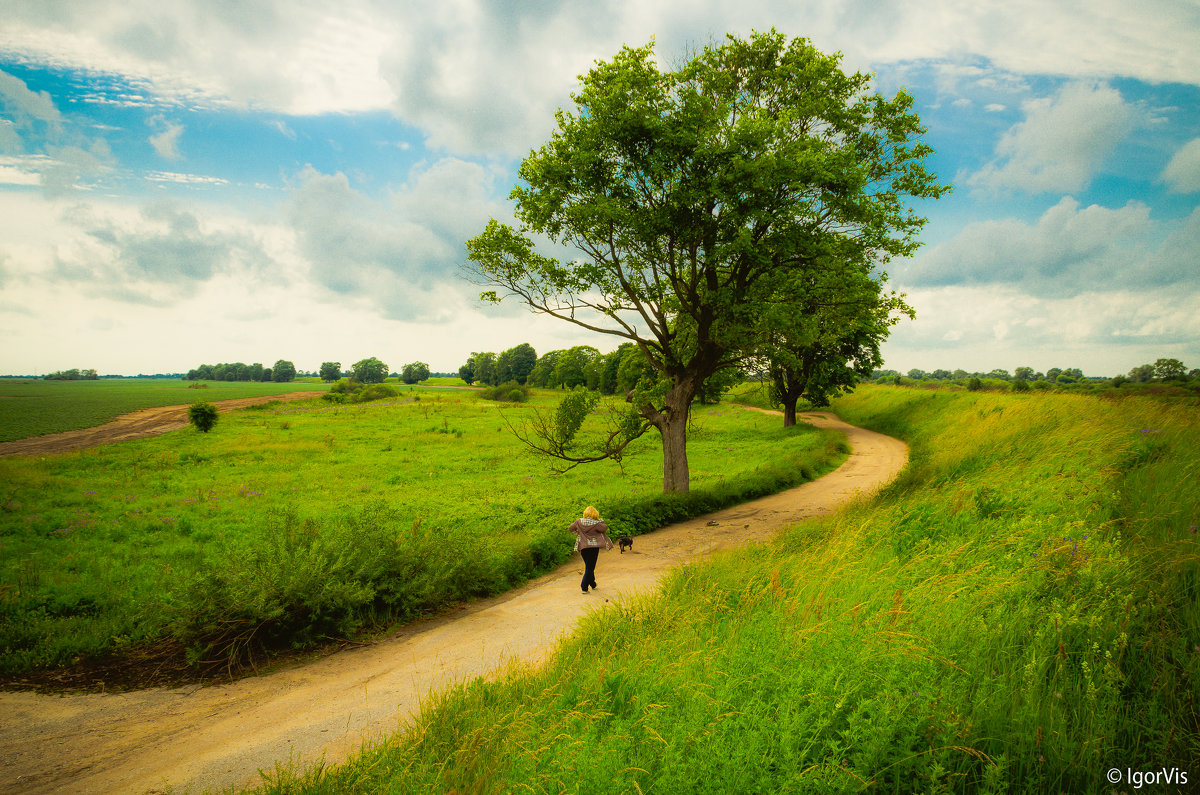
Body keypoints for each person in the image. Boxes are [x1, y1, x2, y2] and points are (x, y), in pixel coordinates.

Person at [569, 505, 611, 593]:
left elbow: (570, 528)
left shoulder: (579, 521)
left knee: (589, 566)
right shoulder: (597, 523)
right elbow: (604, 528)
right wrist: (601, 521)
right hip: (593, 547)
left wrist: (577, 533)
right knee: (590, 567)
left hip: (583, 547)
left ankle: (593, 584)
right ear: (595, 514)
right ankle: (584, 587)